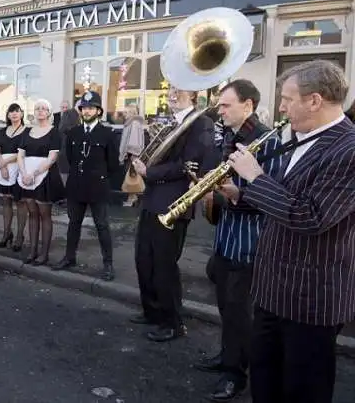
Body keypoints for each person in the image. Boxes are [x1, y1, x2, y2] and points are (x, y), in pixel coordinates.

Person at [226, 59, 355, 403]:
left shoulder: (349, 148)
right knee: (265, 384)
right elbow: (287, 200)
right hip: (272, 291)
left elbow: (311, 216)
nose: (280, 106)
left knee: (302, 392)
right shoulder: (302, 138)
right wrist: (242, 194)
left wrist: (254, 177)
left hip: (311, 300)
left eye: (287, 98)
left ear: (314, 100)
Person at [193, 80, 283, 402]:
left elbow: (270, 193)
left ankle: (235, 374)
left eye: (226, 105)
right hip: (225, 237)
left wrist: (235, 195)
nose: (220, 110)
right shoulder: (229, 137)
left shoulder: (267, 140)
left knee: (240, 311)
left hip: (249, 242)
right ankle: (227, 355)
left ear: (248, 105)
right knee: (226, 307)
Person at [130, 87, 216, 342]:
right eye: (171, 91)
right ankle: (152, 312)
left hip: (174, 202)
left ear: (193, 94)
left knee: (164, 265)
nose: (172, 95)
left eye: (179, 91)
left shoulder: (201, 123)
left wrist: (149, 172)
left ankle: (172, 322)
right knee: (143, 259)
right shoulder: (171, 122)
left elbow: (190, 165)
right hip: (152, 199)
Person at [52, 91, 118, 281]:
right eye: (84, 108)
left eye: (91, 108)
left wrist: (100, 177)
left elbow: (113, 164)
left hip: (98, 187)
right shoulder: (73, 133)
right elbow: (71, 158)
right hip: (76, 186)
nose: (87, 111)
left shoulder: (107, 133)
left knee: (102, 225)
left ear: (98, 111)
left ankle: (108, 264)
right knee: (74, 224)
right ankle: (69, 257)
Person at [16, 99, 66, 265]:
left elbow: (52, 158)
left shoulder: (54, 133)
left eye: (44, 108)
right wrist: (24, 173)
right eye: (37, 108)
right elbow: (20, 155)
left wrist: (35, 173)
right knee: (32, 214)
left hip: (44, 177)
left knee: (45, 215)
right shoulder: (27, 131)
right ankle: (32, 251)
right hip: (27, 177)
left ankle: (44, 254)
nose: (40, 111)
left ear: (49, 112)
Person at [0, 103, 27, 251]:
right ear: (7, 115)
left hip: (18, 169)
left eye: (17, 111)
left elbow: (23, 152)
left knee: (20, 202)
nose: (14, 114)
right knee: (6, 201)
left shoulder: (27, 131)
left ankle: (19, 236)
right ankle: (7, 233)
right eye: (11, 112)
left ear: (22, 114)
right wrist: (1, 165)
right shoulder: (2, 131)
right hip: (3, 170)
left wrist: (4, 163)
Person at [119, 104, 146, 207]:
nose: (124, 115)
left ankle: (132, 199)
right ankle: (132, 198)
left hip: (131, 156)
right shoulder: (133, 123)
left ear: (131, 113)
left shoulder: (134, 123)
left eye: (126, 112)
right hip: (131, 155)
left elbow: (134, 141)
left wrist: (132, 154)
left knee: (131, 177)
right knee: (131, 177)